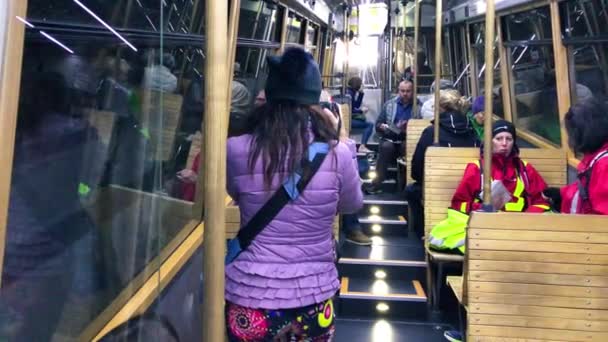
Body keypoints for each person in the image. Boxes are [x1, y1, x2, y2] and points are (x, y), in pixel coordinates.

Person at [225, 47, 363, 341]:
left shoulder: (236, 149)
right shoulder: (337, 154)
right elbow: (352, 204)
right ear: (315, 99)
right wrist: (338, 137)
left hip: (250, 294)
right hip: (312, 296)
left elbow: (234, 192)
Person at [407, 89, 479, 238]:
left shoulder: (432, 133)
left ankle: (421, 232)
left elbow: (416, 171)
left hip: (437, 189)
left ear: (440, 109)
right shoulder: (473, 132)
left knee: (411, 191)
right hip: (470, 191)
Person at [451, 120, 551, 214]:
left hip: (521, 226)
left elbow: (543, 201)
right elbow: (458, 203)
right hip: (485, 226)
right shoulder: (476, 168)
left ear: (514, 142)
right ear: (490, 142)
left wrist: (526, 218)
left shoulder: (525, 169)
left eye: (509, 139)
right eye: (498, 139)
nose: (504, 143)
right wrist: (481, 209)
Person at [364, 79, 420, 194]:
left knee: (407, 147)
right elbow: (378, 124)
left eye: (408, 91)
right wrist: (386, 127)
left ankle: (406, 185)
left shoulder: (419, 106)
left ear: (413, 91)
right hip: (390, 138)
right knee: (386, 147)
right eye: (402, 91)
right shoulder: (389, 104)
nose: (405, 94)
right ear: (398, 91)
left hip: (408, 139)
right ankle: (377, 183)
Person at [561, 98, 608, 215]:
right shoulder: (595, 157)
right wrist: (560, 193)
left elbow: (602, 215)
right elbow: (587, 188)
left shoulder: (604, 164)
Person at [346, 77, 374, 153]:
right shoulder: (349, 93)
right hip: (347, 120)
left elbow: (356, 105)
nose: (362, 86)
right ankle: (362, 146)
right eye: (361, 84)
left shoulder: (351, 92)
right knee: (370, 125)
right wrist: (361, 111)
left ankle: (362, 146)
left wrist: (361, 93)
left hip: (348, 118)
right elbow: (350, 110)